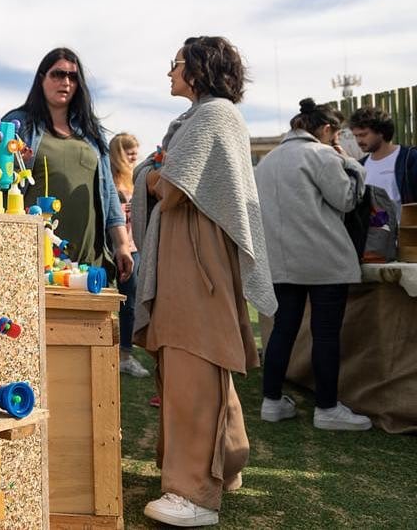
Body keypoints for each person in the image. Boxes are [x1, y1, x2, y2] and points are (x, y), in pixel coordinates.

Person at [131, 36, 277, 527]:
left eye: (175, 64)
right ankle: (224, 464)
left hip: (196, 255)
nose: (169, 72)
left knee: (192, 357)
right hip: (190, 250)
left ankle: (193, 493)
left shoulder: (212, 116)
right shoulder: (201, 118)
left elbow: (171, 187)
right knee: (195, 358)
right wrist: (157, 169)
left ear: (198, 69)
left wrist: (151, 171)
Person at [254, 98, 372, 430]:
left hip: (281, 260)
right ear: (327, 129)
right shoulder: (321, 155)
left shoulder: (267, 162)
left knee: (283, 330)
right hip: (323, 259)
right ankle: (326, 408)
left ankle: (272, 401)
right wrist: (351, 163)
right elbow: (347, 199)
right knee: (325, 335)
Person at [3, 47, 134, 285]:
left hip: (90, 266)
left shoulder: (91, 132)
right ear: (42, 78)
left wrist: (122, 245)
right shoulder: (18, 124)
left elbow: (109, 193)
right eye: (58, 74)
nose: (65, 82)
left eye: (72, 77)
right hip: (34, 265)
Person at [109, 132, 149, 378]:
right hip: (114, 246)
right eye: (128, 150)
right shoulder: (111, 181)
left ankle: (125, 353)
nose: (134, 154)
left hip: (135, 247)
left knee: (130, 303)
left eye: (135, 149)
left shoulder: (136, 178)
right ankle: (117, 352)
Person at [348, 106, 417, 207]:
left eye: (363, 135)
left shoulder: (409, 159)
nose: (359, 141)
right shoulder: (360, 166)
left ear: (381, 132)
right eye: (356, 136)